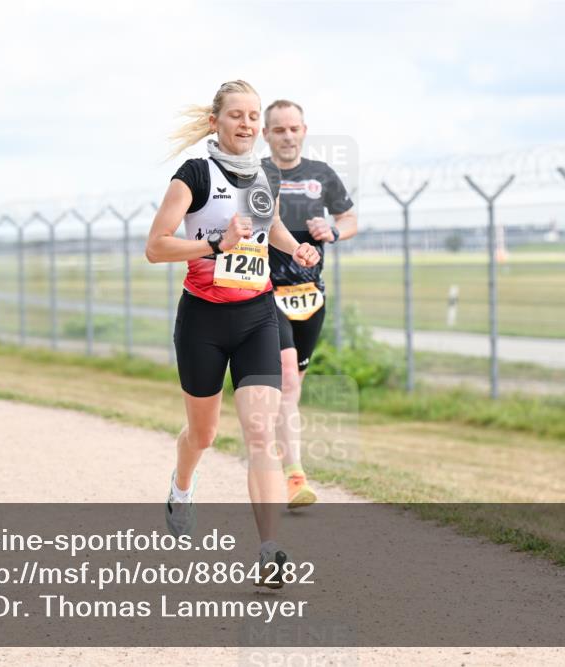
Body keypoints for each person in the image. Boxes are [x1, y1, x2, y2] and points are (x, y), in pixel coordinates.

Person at [146, 80, 320, 586]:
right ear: (215, 122)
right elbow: (156, 247)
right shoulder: (194, 175)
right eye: (237, 116)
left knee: (261, 433)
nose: (246, 124)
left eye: (252, 116)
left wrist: (296, 249)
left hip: (257, 316)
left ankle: (269, 551)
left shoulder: (264, 176)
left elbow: (274, 229)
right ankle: (181, 487)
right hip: (203, 318)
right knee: (202, 434)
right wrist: (216, 244)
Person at [261, 100, 357, 509]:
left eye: (293, 128)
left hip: (310, 295)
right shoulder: (257, 175)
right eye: (278, 129)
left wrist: (332, 230)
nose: (287, 136)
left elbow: (351, 218)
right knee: (287, 378)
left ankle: (276, 442)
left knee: (292, 387)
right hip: (265, 292)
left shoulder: (322, 175)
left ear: (304, 130)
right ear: (266, 134)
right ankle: (295, 476)